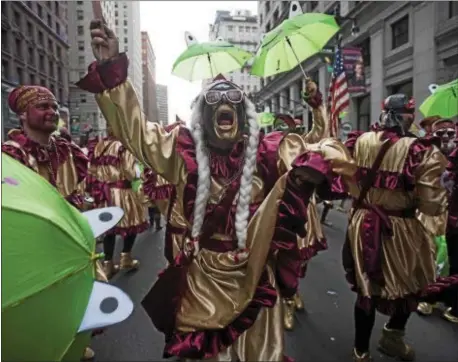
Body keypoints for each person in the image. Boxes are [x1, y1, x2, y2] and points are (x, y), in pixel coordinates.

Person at [76, 19, 353, 361]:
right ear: (204, 115)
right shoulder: (182, 152)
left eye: (232, 99)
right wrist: (110, 67)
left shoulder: (268, 152)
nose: (224, 102)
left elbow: (319, 147)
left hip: (252, 273)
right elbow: (135, 133)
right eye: (215, 100)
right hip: (202, 278)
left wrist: (318, 115)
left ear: (243, 112)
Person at [342, 94, 457, 362]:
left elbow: (347, 181)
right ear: (403, 116)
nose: (412, 118)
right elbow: (431, 202)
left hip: (361, 222)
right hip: (400, 228)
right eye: (409, 113)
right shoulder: (419, 150)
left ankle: (363, 350)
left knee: (366, 285)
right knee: (413, 282)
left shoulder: (359, 141)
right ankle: (391, 335)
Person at [1, 85, 99, 361]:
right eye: (43, 107)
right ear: (22, 114)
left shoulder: (67, 150)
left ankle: (72, 339)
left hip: (69, 235)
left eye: (54, 107)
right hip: (34, 240)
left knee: (77, 291)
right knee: (41, 298)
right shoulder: (10, 155)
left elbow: (77, 191)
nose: (51, 112)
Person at [86, 132, 150, 278]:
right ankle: (125, 258)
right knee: (132, 224)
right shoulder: (124, 146)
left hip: (105, 193)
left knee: (109, 229)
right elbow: (131, 173)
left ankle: (108, 265)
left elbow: (92, 170)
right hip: (123, 193)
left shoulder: (98, 146)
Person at [416, 116, 458, 321]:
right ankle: (427, 297)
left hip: (452, 215)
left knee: (449, 259)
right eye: (441, 134)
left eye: (450, 134)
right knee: (429, 254)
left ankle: (447, 297)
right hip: (431, 213)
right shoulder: (428, 155)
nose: (446, 138)